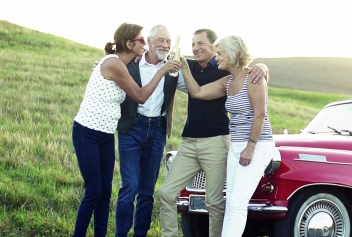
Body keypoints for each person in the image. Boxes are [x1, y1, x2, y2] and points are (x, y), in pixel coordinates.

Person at [72, 22, 180, 237]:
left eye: (169, 41)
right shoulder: (115, 63)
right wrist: (162, 71)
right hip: (88, 132)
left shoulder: (124, 63)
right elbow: (139, 95)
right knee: (95, 191)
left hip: (107, 135)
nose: (165, 45)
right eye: (141, 40)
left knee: (104, 193)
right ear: (130, 43)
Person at [158, 29, 268, 237]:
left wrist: (263, 67)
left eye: (201, 44)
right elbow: (194, 89)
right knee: (166, 193)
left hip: (216, 142)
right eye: (193, 44)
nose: (196, 48)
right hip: (189, 143)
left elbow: (252, 76)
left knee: (215, 202)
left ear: (214, 46)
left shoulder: (225, 70)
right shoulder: (188, 65)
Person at [115, 25, 183, 237]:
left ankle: (140, 234)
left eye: (168, 41)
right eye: (161, 40)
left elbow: (198, 81)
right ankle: (121, 234)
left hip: (157, 131)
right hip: (132, 128)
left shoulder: (174, 69)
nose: (165, 45)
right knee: (129, 187)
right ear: (150, 42)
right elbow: (108, 68)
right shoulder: (130, 64)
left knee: (147, 191)